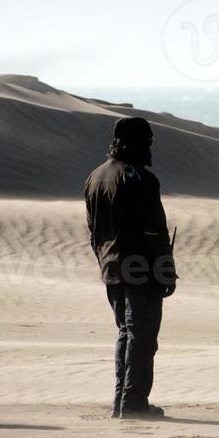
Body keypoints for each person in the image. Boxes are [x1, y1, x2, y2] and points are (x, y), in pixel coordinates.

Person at [84, 116, 177, 419]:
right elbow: (155, 232)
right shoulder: (139, 178)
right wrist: (165, 270)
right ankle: (133, 402)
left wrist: (105, 262)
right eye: (147, 141)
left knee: (127, 333)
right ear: (137, 142)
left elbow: (93, 231)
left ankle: (123, 401)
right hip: (141, 269)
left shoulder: (95, 177)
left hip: (112, 268)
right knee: (141, 335)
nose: (150, 147)